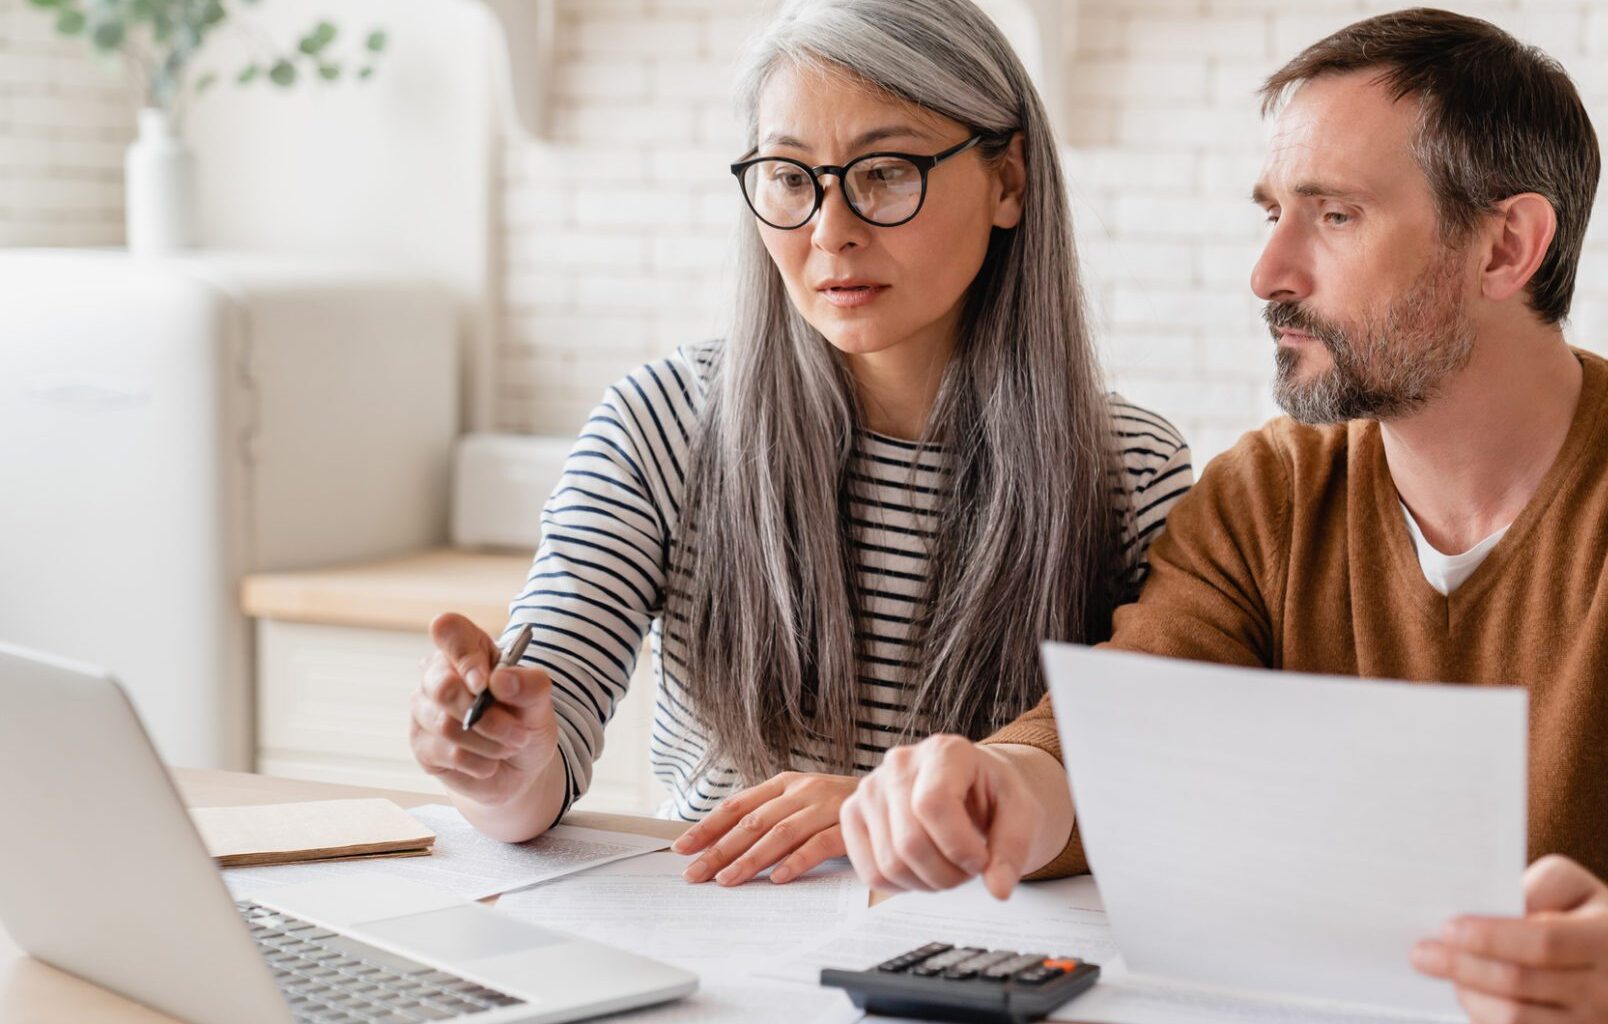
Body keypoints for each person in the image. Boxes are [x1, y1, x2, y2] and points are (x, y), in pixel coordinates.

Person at [839, 9, 1608, 1022]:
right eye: (1272, 213)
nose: (1268, 271)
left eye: (1333, 216)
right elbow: (1120, 735)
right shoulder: (1265, 493)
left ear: (1503, 248)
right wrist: (997, 788)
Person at [405, 0, 1191, 890]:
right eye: (789, 177)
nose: (830, 231)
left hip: (996, 949)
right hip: (727, 930)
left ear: (1008, 181)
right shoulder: (664, 422)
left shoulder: (1131, 467)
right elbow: (537, 769)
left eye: (886, 173)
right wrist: (495, 759)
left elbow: (1153, 781)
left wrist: (881, 818)